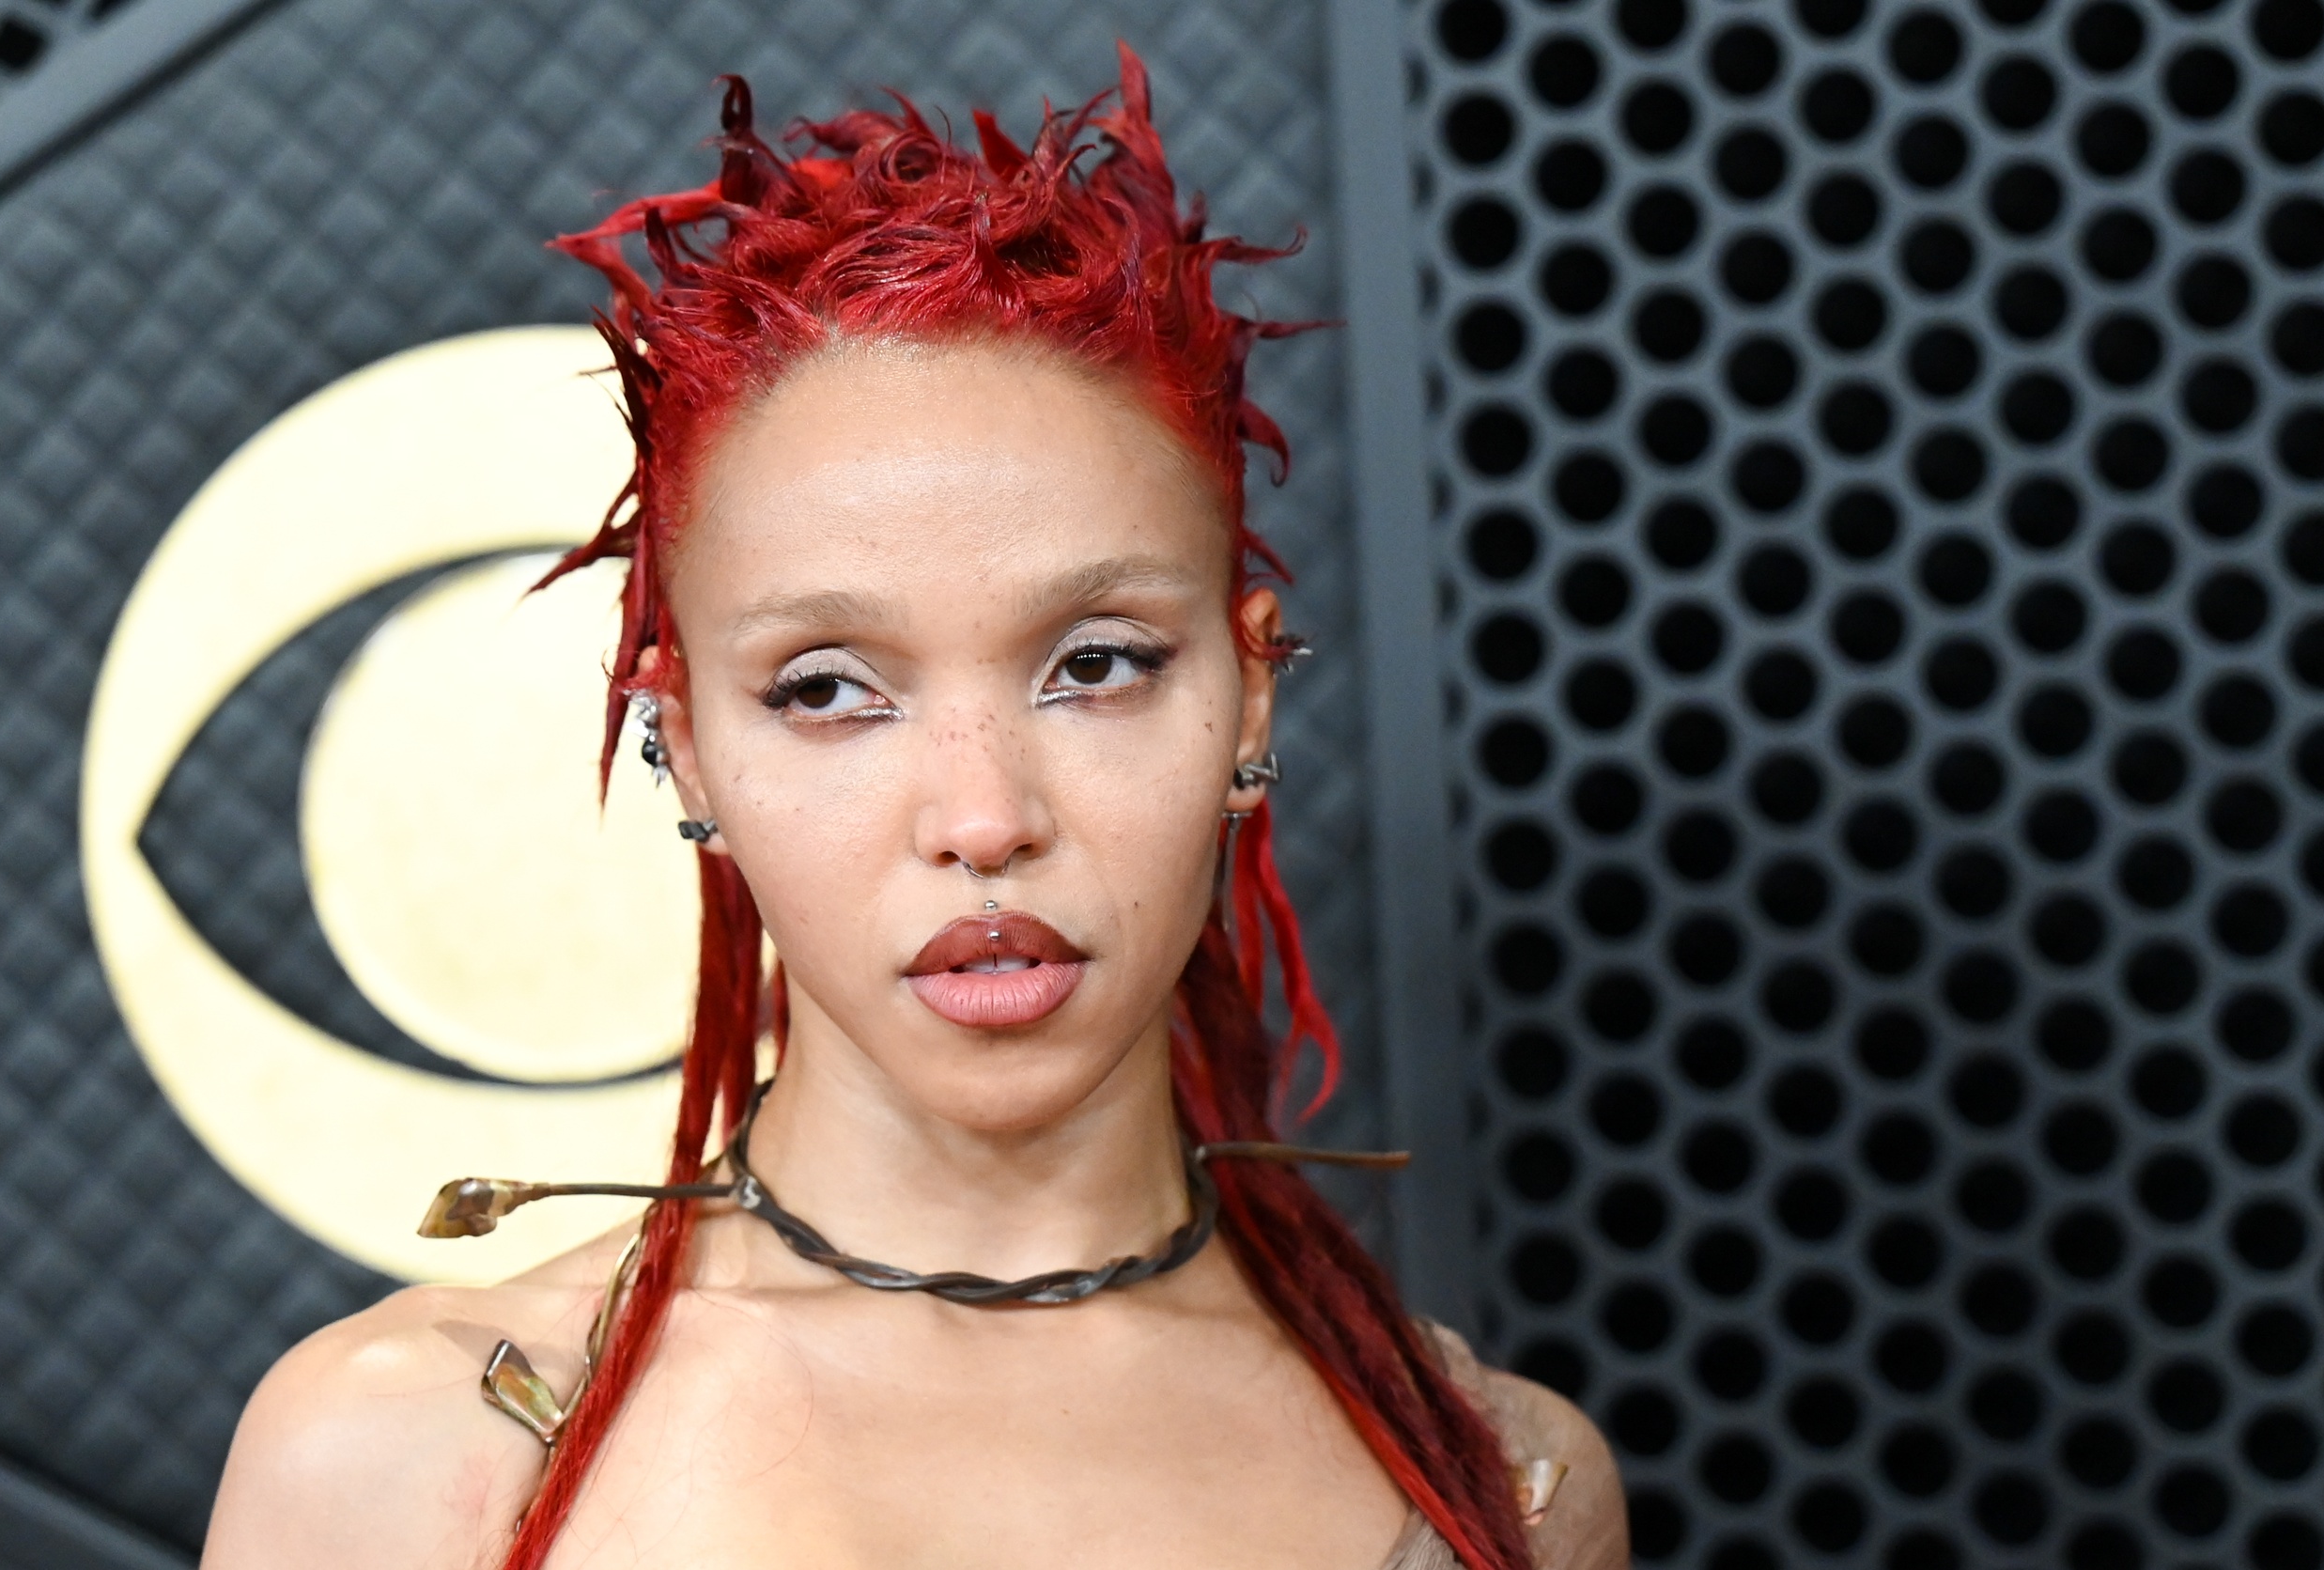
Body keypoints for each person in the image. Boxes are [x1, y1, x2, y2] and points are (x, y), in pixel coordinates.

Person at [198, 50, 1623, 1570]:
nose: (981, 815)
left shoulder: (1505, 1479)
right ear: (683, 746)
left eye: (1095, 665)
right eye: (825, 689)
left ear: (1248, 697)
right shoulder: (416, 1453)